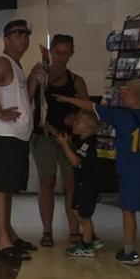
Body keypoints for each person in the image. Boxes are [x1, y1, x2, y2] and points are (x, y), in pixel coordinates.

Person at [56, 79, 140, 265]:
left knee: (128, 210)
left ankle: (129, 251)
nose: (122, 93)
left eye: (127, 91)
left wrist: (68, 99)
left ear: (136, 99)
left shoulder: (121, 116)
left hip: (131, 171)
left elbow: (91, 106)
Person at [0, 19, 37, 263]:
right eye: (18, 33)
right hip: (5, 135)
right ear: (6, 39)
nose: (24, 37)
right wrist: (0, 112)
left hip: (17, 136)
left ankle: (9, 234)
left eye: (26, 34)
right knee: (2, 187)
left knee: (9, 186)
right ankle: (3, 241)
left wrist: (33, 79)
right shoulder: (1, 62)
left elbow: (23, 99)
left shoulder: (16, 65)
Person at [28, 34, 89, 247]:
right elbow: (28, 101)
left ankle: (74, 230)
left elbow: (86, 109)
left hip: (68, 136)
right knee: (47, 181)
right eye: (57, 52)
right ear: (51, 51)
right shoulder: (40, 76)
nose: (61, 57)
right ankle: (47, 230)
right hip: (43, 134)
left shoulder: (76, 80)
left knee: (71, 182)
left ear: (71, 54)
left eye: (65, 53)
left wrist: (75, 119)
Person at [54, 110, 104, 257]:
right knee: (76, 211)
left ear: (88, 128)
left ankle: (87, 246)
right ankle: (92, 238)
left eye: (78, 121)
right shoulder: (84, 143)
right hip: (83, 183)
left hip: (87, 185)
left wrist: (64, 145)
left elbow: (75, 161)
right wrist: (69, 143)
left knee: (84, 215)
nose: (74, 123)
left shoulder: (89, 143)